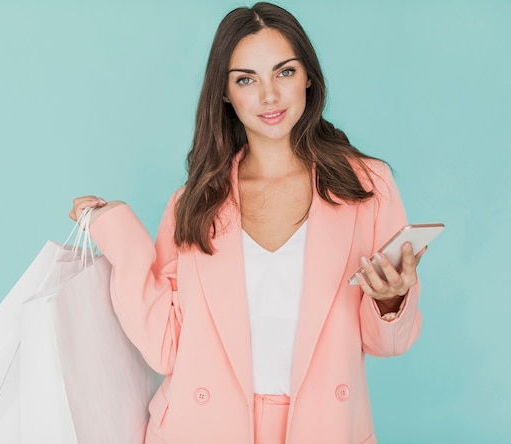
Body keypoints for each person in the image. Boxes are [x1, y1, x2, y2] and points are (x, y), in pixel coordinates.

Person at [70, 3, 424, 443]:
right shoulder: (194, 203)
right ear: (224, 92)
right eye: (246, 79)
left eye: (284, 72)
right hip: (201, 430)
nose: (269, 96)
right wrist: (116, 230)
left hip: (326, 429)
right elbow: (165, 348)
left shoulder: (367, 187)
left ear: (309, 77)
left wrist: (391, 302)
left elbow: (386, 344)